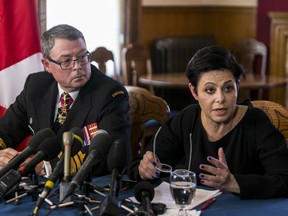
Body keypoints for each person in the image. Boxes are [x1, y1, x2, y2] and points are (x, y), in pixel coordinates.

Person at [128, 45, 288, 199]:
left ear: (237, 87)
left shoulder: (257, 122)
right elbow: (139, 164)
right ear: (194, 91)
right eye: (210, 90)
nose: (220, 98)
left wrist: (234, 183)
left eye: (228, 88)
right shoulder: (187, 119)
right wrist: (144, 170)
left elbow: (284, 180)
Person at [0, 24, 131, 176]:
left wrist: (44, 167)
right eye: (66, 61)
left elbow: (107, 155)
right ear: (47, 65)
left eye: (83, 57)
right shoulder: (35, 86)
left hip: (87, 188)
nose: (78, 66)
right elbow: (5, 130)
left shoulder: (111, 93)